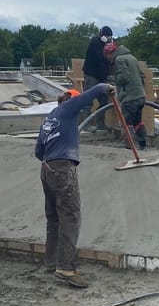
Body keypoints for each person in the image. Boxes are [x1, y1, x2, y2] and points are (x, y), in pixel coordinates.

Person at [35, 83, 115, 288]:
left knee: (54, 219)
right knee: (70, 217)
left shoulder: (50, 118)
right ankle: (66, 268)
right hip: (62, 169)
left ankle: (51, 262)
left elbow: (38, 151)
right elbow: (94, 90)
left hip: (46, 169)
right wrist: (107, 87)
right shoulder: (69, 108)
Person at [103, 41, 147, 149]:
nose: (108, 58)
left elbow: (124, 77)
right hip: (140, 95)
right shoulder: (132, 58)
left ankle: (129, 148)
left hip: (129, 97)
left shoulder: (119, 59)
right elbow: (141, 75)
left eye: (107, 55)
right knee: (138, 122)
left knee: (126, 123)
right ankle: (142, 144)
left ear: (110, 53)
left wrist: (114, 80)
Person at [82, 25, 114, 130]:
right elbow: (101, 57)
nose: (109, 39)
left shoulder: (104, 45)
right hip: (91, 74)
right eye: (108, 37)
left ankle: (101, 124)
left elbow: (106, 63)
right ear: (103, 35)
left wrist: (108, 74)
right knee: (88, 99)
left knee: (104, 100)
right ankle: (86, 125)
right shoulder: (95, 42)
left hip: (100, 77)